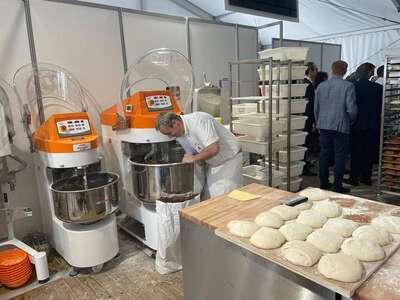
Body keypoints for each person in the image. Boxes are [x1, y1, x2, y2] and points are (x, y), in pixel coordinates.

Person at [155, 111, 242, 198]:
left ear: (175, 123)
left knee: (223, 196)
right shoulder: (180, 133)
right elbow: (191, 154)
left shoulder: (199, 121)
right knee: (209, 196)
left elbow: (213, 148)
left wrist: (194, 158)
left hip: (229, 159)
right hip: (213, 163)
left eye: (169, 133)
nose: (170, 137)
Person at [314, 60, 357, 193]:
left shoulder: (321, 86)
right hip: (340, 126)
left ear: (332, 70)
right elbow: (352, 109)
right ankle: (337, 186)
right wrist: (351, 121)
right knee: (340, 156)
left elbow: (316, 108)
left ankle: (324, 183)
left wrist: (318, 123)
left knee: (324, 155)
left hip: (324, 125)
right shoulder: (348, 86)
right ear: (344, 71)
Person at [345, 63, 383, 186]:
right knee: (369, 152)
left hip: (356, 124)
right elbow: (381, 107)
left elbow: (349, 106)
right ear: (370, 72)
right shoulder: (378, 88)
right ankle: (366, 177)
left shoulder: (352, 86)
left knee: (355, 152)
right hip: (373, 124)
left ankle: (354, 177)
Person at [302, 71, 328, 176]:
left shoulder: (306, 83)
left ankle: (305, 164)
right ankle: (304, 167)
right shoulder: (308, 85)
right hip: (307, 119)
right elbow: (311, 106)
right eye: (315, 69)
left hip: (305, 118)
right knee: (305, 144)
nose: (316, 72)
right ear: (310, 70)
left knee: (306, 144)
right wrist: (313, 121)